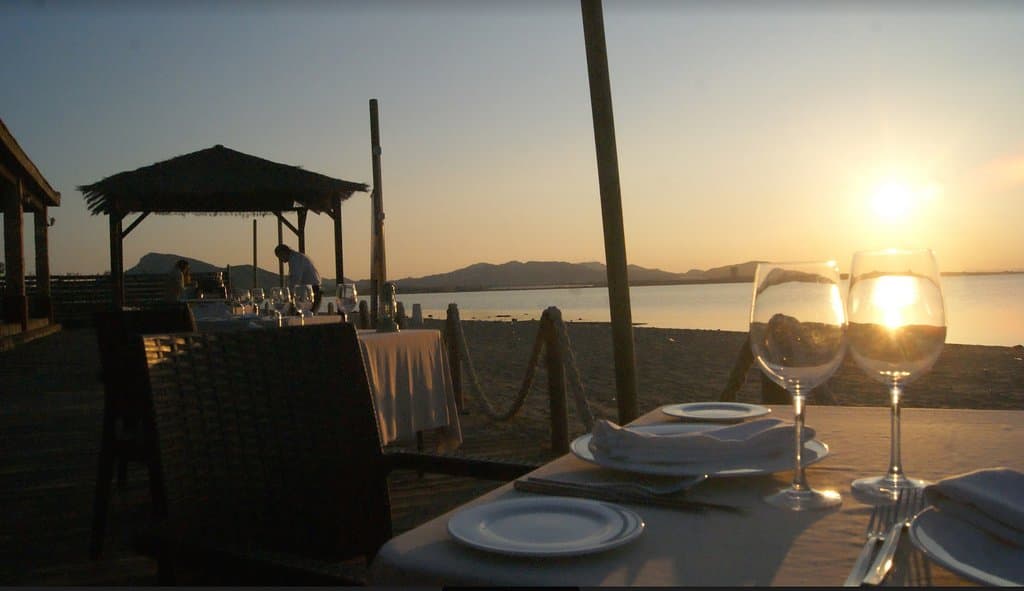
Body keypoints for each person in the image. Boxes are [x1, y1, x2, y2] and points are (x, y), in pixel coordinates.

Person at [274, 244, 322, 311]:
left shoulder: (295, 259)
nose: (280, 260)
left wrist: (288, 295)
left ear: (283, 253)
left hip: (311, 291)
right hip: (310, 290)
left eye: (280, 257)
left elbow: (296, 279)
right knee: (306, 315)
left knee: (307, 317)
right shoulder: (296, 257)